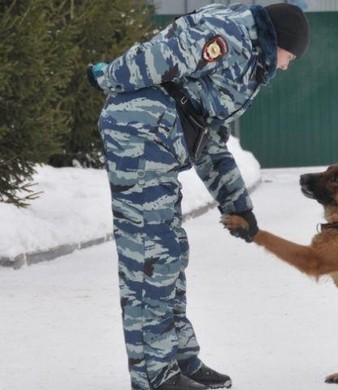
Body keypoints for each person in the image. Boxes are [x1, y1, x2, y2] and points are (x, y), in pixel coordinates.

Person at [87, 3, 309, 390]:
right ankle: (155, 376)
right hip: (138, 132)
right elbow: (154, 57)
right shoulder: (225, 35)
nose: (287, 66)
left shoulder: (252, 63)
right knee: (151, 257)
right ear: (280, 43)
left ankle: (179, 359)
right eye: (290, 57)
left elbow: (208, 137)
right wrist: (108, 77)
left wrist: (237, 204)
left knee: (171, 252)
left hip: (162, 137)